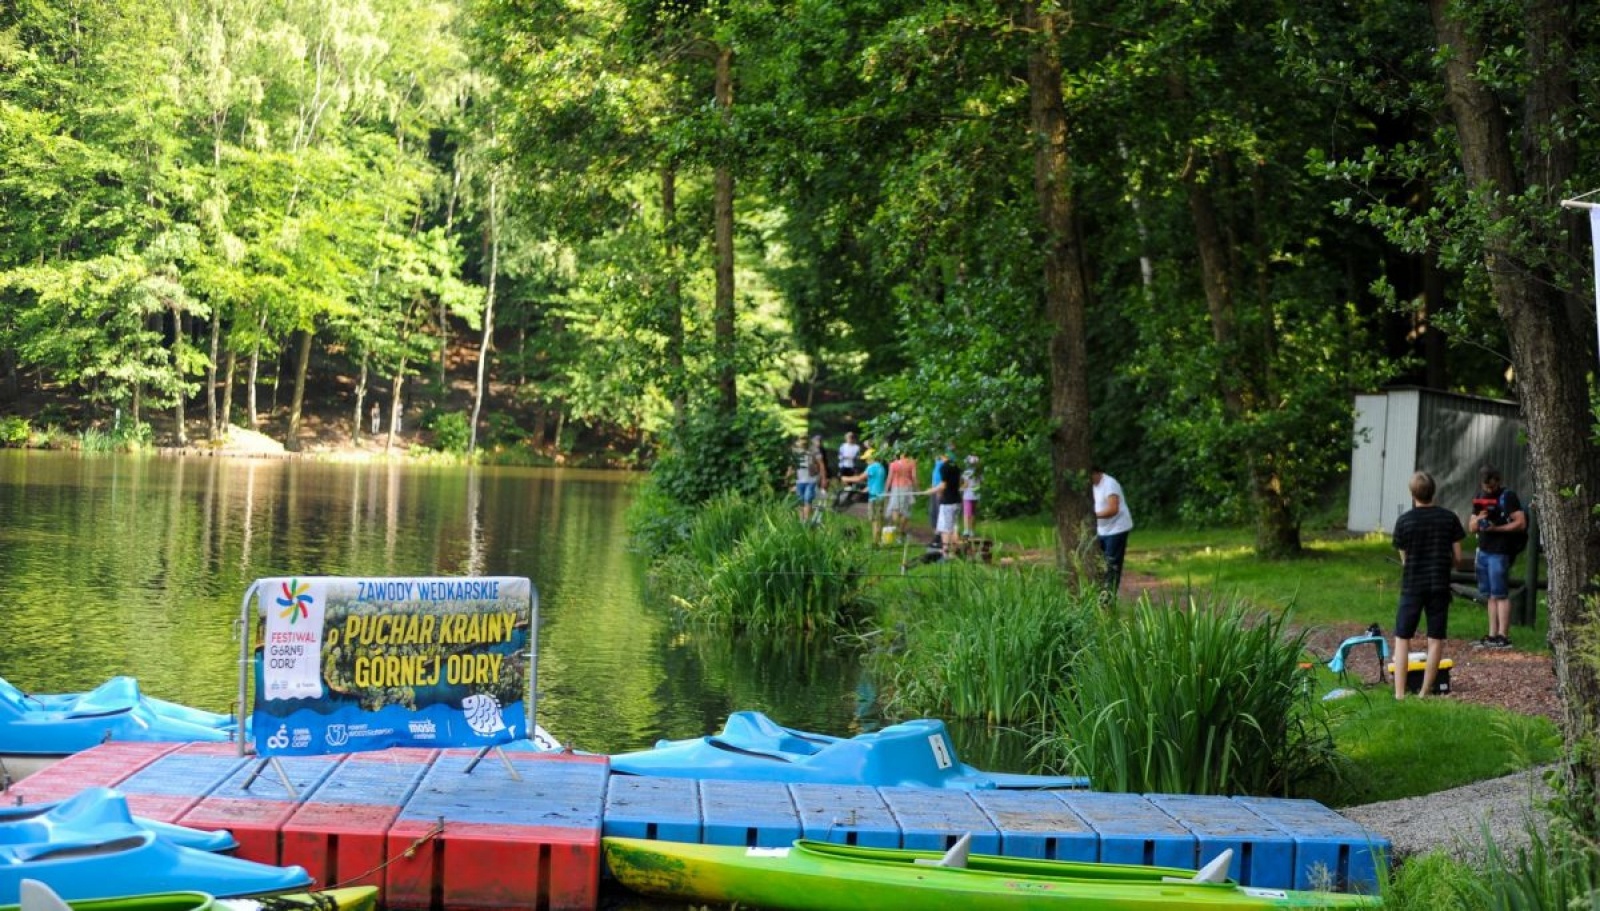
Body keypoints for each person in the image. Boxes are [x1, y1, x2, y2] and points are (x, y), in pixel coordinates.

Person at [1391, 471, 1466, 700]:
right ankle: (1424, 692)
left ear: (1412, 494)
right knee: (1435, 639)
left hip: (1412, 585)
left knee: (1402, 637)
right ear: (1434, 491)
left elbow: (1405, 560)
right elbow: (1458, 558)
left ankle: (1400, 693)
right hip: (1439, 585)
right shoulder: (1449, 518)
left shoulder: (1404, 521)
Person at [1470, 465, 1528, 649]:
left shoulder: (1507, 496)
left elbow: (1521, 523)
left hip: (1500, 550)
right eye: (1486, 487)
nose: (1489, 490)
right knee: (1490, 595)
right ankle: (1492, 634)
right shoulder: (1479, 497)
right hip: (1483, 549)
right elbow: (1471, 527)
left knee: (1500, 593)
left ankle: (1503, 635)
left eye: (1493, 487)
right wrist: (1479, 519)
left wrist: (1497, 528)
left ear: (1498, 482)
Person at [1092, 467, 1134, 596]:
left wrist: (1093, 515)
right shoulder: (1092, 486)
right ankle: (1101, 593)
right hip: (1101, 530)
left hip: (1116, 529)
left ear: (1095, 472)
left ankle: (1109, 596)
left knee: (1111, 564)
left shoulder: (1109, 484)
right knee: (1099, 563)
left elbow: (1113, 509)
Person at [843, 449, 888, 545]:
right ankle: (879, 541)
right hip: (881, 496)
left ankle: (875, 543)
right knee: (879, 519)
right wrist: (861, 492)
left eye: (867, 459)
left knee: (874, 520)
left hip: (874, 497)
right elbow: (873, 484)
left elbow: (859, 478)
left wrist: (846, 478)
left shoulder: (872, 467)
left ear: (872, 458)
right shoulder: (881, 467)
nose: (866, 461)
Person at [925, 450, 963, 556]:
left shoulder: (944, 467)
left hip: (947, 502)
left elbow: (943, 485)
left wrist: (931, 491)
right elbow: (961, 482)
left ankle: (946, 553)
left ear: (943, 456)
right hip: (957, 501)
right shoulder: (956, 466)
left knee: (945, 529)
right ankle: (954, 551)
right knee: (953, 527)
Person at [787, 436, 821, 522]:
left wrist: (821, 477)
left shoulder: (812, 451)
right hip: (800, 480)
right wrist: (788, 478)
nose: (803, 442)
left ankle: (805, 521)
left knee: (808, 499)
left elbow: (820, 464)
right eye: (801, 440)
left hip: (811, 480)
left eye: (804, 440)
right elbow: (791, 467)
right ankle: (801, 520)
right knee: (800, 501)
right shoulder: (795, 453)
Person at [886, 447, 918, 530]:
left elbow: (889, 478)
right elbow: (914, 477)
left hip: (896, 488)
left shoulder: (893, 464)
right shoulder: (912, 463)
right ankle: (901, 530)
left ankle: (896, 528)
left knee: (895, 508)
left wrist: (886, 489)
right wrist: (917, 488)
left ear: (900, 454)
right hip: (907, 487)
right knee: (906, 509)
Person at [961, 455, 982, 538]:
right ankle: (972, 530)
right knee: (973, 513)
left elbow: (966, 484)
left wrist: (960, 489)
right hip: (976, 495)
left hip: (967, 495)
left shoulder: (966, 472)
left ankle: (966, 530)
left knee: (967, 513)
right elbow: (981, 483)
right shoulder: (979, 473)